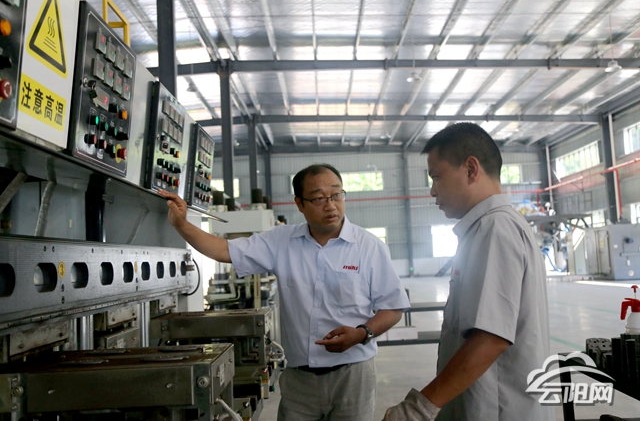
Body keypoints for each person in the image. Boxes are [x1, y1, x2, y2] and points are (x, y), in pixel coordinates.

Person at [159, 163, 410, 421]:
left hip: (353, 376)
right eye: (319, 198)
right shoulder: (281, 242)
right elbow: (224, 250)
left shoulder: (369, 247)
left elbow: (392, 308)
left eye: (336, 195)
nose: (331, 205)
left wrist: (362, 333)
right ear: (299, 203)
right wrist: (182, 224)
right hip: (300, 381)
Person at [383, 123, 553, 421]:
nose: (432, 190)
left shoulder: (494, 228)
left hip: (497, 412)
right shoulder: (489, 228)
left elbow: (491, 338)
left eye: (437, 177)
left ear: (471, 169)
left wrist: (419, 408)